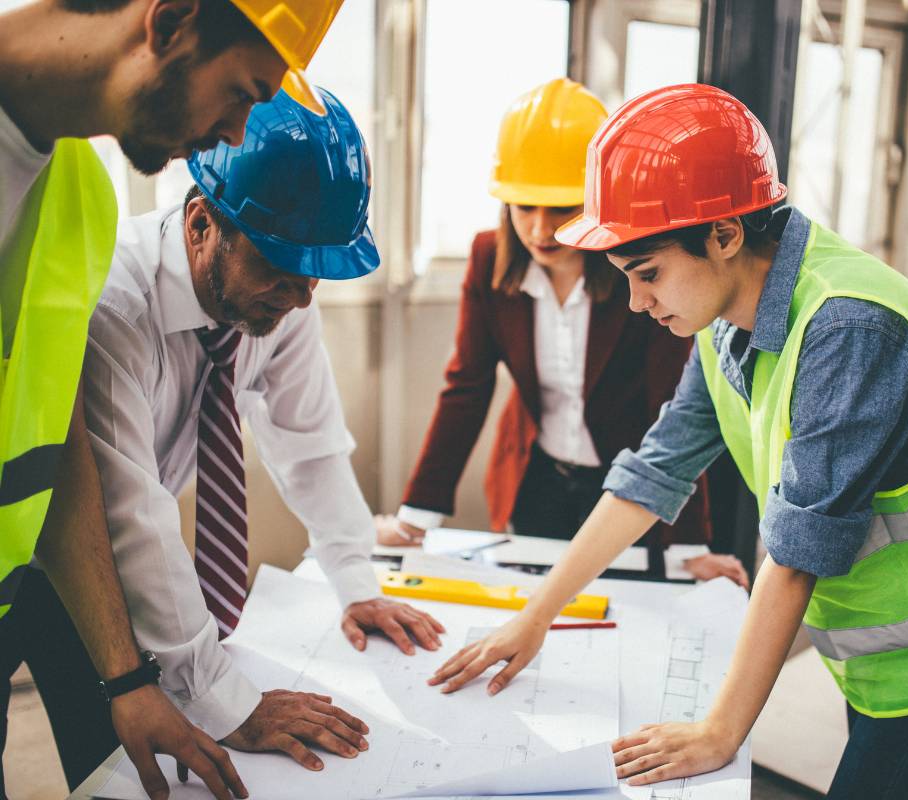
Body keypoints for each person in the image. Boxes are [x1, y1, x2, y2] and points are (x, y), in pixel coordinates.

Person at [429, 84, 908, 799]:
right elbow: (657, 469)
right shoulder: (729, 315)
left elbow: (795, 557)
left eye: (648, 275)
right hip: (890, 632)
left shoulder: (846, 330)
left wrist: (719, 734)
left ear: (726, 234)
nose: (639, 304)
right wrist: (535, 615)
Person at [0, 1, 346, 798]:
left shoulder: (76, 198)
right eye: (241, 93)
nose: (234, 136)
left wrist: (128, 680)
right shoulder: (119, 271)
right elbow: (133, 501)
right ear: (173, 19)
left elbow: (63, 449)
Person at [68, 87, 447, 784]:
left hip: (127, 546)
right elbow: (132, 512)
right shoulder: (118, 303)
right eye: (279, 268)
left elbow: (310, 443)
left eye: (315, 275)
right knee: (109, 758)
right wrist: (229, 703)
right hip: (55, 561)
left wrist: (354, 578)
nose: (303, 297)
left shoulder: (280, 297)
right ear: (201, 222)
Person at [378, 78, 745, 586]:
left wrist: (689, 549)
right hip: (534, 477)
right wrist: (416, 517)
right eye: (525, 207)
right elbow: (466, 388)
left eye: (560, 208)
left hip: (627, 482)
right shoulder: (488, 260)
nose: (539, 229)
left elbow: (676, 405)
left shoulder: (640, 272)